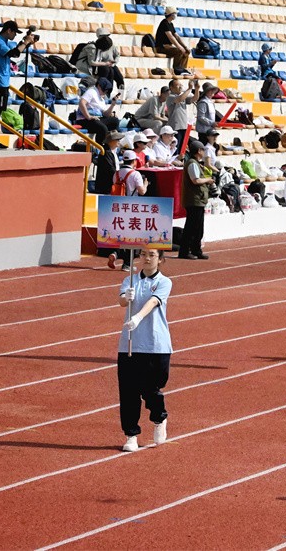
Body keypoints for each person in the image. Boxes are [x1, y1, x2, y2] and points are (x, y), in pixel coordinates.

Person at [116, 248, 173, 452]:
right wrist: (126, 297)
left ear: (161, 260)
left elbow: (153, 302)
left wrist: (138, 317)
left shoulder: (164, 282)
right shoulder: (130, 281)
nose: (147, 259)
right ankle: (131, 435)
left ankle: (159, 417)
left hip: (155, 344)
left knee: (151, 388)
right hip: (130, 344)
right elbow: (121, 301)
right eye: (143, 255)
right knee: (129, 391)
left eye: (152, 255)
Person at [0, 21, 38, 149]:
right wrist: (24, 42)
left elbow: (15, 51)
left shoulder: (4, 42)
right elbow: (14, 53)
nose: (15, 35)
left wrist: (25, 43)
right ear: (9, 30)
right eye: (14, 32)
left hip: (3, 81)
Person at [179, 142, 212, 260]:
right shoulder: (192, 164)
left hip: (198, 199)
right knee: (191, 227)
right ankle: (184, 251)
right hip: (194, 200)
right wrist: (208, 179)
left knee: (198, 227)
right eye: (202, 150)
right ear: (198, 151)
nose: (203, 152)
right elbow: (195, 180)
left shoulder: (195, 163)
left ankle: (196, 250)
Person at [75, 77, 121, 147]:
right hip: (85, 120)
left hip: (97, 119)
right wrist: (88, 116)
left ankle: (111, 144)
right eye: (104, 89)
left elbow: (106, 114)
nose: (105, 92)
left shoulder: (101, 98)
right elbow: (82, 102)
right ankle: (100, 147)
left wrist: (112, 104)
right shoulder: (91, 91)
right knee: (102, 128)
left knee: (115, 121)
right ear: (99, 86)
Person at [155, 7, 190, 76]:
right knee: (178, 51)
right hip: (162, 47)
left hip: (168, 46)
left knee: (186, 51)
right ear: (171, 14)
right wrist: (179, 47)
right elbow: (171, 37)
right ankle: (177, 69)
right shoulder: (164, 23)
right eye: (175, 13)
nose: (176, 15)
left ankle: (182, 68)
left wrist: (185, 47)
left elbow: (177, 36)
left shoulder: (170, 24)